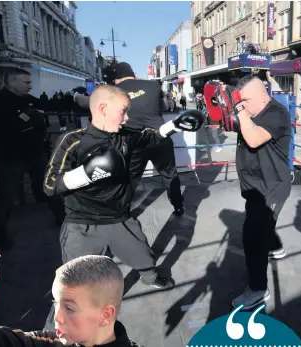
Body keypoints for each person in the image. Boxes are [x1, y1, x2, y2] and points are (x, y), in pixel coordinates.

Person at [43, 85, 203, 329]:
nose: (127, 117)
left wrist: (175, 125)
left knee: (144, 257)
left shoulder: (126, 135)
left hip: (120, 219)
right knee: (72, 287)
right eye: (123, 111)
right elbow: (49, 184)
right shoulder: (73, 141)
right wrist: (85, 175)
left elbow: (152, 135)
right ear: (102, 109)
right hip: (82, 224)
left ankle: (150, 277)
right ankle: (53, 335)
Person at [0, 228, 143, 347]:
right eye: (56, 303)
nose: (57, 318)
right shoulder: (53, 342)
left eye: (69, 308)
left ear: (106, 315)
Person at [207, 75, 292, 309]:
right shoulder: (254, 113)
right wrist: (221, 108)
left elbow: (254, 139)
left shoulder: (276, 113)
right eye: (239, 102)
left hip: (271, 187)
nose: (241, 106)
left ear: (262, 96)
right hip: (256, 187)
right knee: (262, 227)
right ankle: (275, 246)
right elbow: (228, 123)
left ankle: (257, 290)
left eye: (245, 101)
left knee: (252, 238)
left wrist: (239, 110)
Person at [73, 62, 185, 216]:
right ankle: (178, 206)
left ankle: (122, 211)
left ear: (117, 79)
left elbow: (87, 103)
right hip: (159, 136)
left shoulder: (115, 91)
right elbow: (164, 106)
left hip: (135, 140)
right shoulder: (153, 84)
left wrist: (76, 96)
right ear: (132, 73)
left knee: (131, 178)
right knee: (170, 174)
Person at [0, 68, 48, 253]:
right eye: (26, 82)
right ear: (11, 81)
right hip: (9, 158)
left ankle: (61, 218)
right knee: (6, 198)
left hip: (35, 153)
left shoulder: (32, 101)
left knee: (50, 186)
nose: (30, 86)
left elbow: (42, 123)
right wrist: (22, 127)